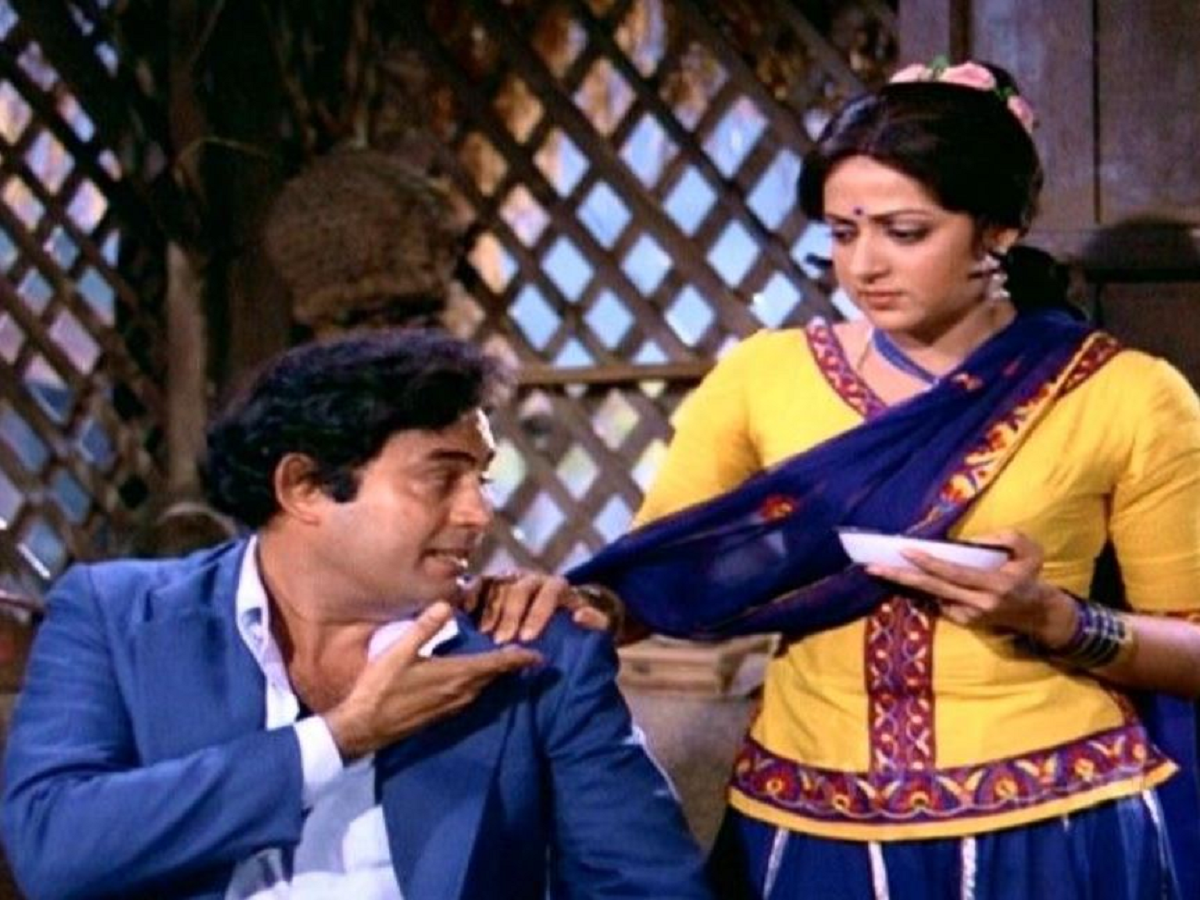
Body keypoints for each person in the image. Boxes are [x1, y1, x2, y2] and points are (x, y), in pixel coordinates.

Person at [569, 60, 1200, 899]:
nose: (864, 265)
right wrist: (573, 608)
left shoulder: (1123, 392)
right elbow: (657, 580)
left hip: (1055, 822)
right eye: (841, 233)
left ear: (998, 231)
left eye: (904, 232)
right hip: (810, 818)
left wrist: (1053, 617)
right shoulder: (764, 377)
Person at [1, 330, 713, 899]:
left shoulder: (531, 649)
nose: (479, 513)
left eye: (482, 479)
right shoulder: (114, 615)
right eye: (442, 477)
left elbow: (647, 887)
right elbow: (52, 847)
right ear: (305, 487)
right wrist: (338, 739)